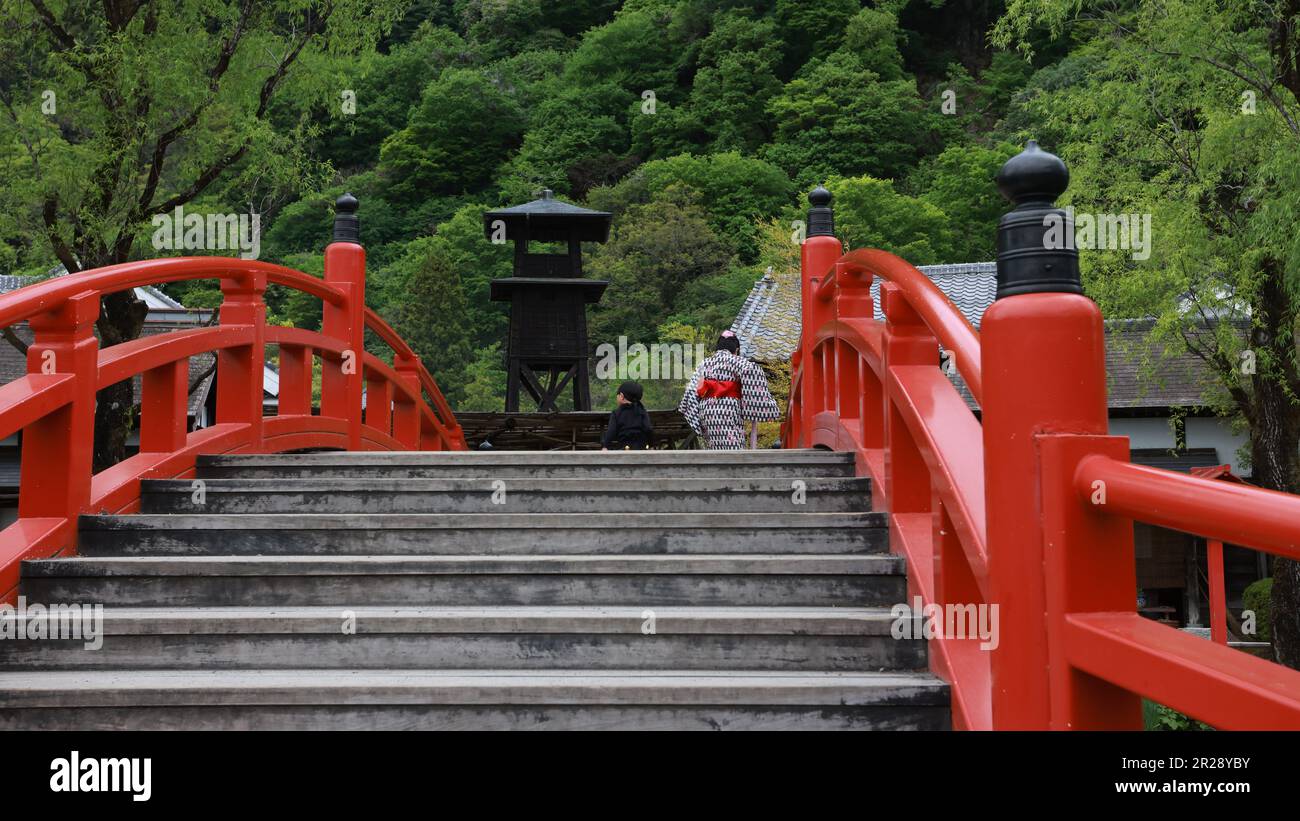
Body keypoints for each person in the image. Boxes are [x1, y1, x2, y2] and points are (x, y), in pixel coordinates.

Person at [679, 330, 780, 449]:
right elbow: (753, 376)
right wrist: (767, 406)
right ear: (736, 349)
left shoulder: (704, 364)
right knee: (733, 447)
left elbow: (691, 391)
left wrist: (695, 418)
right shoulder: (739, 362)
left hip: (706, 411)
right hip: (728, 409)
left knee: (712, 448)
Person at [602, 380, 654, 450]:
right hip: (642, 448)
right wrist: (651, 445)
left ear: (621, 396)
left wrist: (605, 446)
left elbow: (611, 432)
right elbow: (648, 429)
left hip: (625, 449)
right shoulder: (642, 411)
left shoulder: (616, 413)